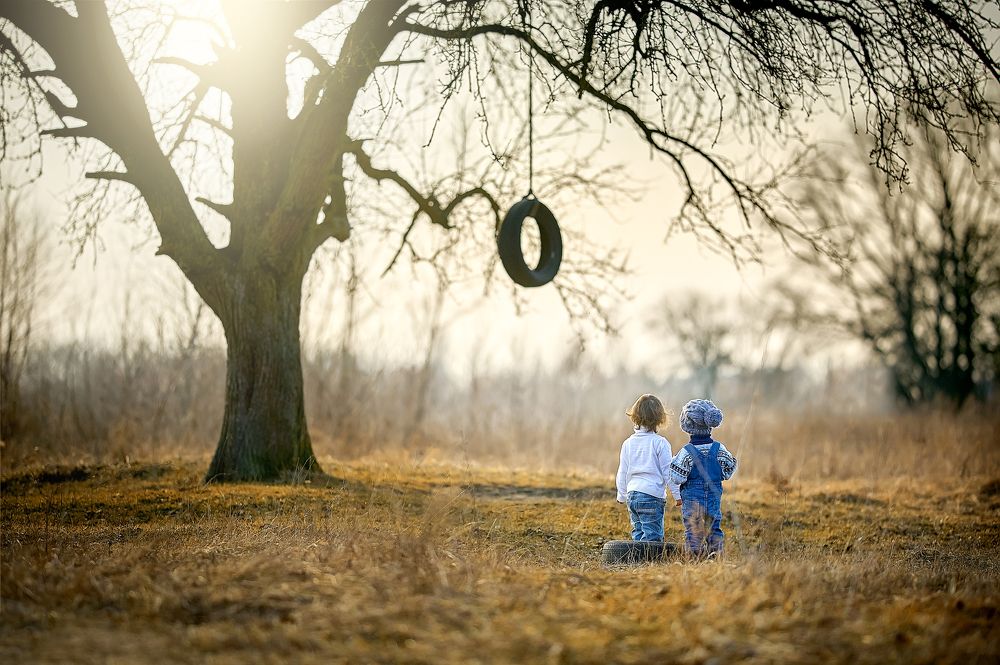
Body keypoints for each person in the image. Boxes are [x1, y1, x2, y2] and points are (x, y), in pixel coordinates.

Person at [670, 399, 738, 556]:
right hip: (713, 496)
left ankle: (695, 558)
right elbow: (728, 470)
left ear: (687, 426)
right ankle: (717, 556)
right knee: (714, 527)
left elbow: (677, 478)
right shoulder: (719, 449)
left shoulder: (686, 452)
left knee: (693, 529)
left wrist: (674, 464)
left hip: (692, 498)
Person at [615, 394, 681, 542]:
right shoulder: (660, 443)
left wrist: (621, 495)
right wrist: (677, 495)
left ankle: (638, 556)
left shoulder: (628, 443)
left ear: (635, 416)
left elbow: (622, 472)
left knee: (638, 532)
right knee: (652, 537)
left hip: (632, 496)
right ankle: (650, 557)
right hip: (651, 496)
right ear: (659, 418)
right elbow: (668, 473)